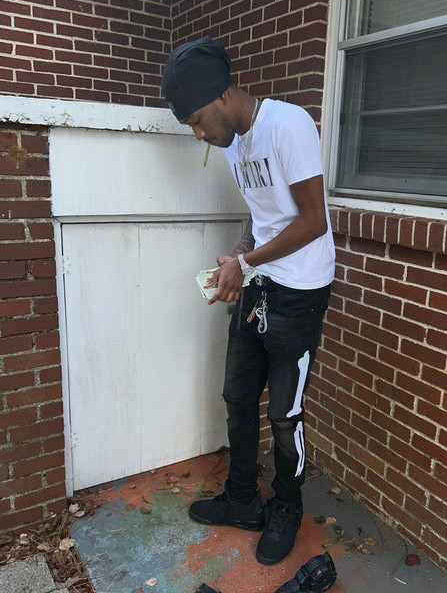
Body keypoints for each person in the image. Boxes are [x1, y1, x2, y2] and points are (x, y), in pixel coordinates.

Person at [161, 37, 335, 565]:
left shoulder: (288, 125)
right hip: (259, 281)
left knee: (283, 413)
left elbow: (313, 220)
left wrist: (248, 262)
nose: (198, 134)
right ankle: (241, 500)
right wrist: (238, 258)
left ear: (221, 95)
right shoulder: (234, 143)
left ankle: (286, 507)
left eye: (196, 121)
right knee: (238, 397)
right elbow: (263, 219)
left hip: (300, 290)